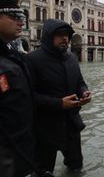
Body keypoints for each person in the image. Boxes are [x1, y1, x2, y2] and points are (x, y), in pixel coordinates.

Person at [26, 19, 92, 173]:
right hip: (45, 127)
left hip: (71, 124)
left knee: (76, 166)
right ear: (49, 36)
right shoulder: (32, 60)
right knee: (44, 170)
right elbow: (29, 96)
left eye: (68, 35)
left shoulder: (71, 58)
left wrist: (84, 92)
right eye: (60, 35)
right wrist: (58, 103)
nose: (65, 38)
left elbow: (80, 82)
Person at [0, 0, 35, 177]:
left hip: (20, 154)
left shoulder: (12, 54)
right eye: (14, 16)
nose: (21, 21)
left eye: (21, 15)